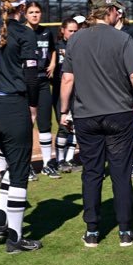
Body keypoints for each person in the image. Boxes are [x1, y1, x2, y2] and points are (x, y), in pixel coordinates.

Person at [60, 0, 133, 248]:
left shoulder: (75, 40)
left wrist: (64, 111)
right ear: (108, 11)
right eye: (115, 11)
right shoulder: (122, 38)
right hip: (118, 114)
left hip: (86, 116)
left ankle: (92, 231)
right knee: (121, 173)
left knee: (92, 172)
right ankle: (124, 230)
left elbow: (67, 79)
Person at [0, 0, 42, 253]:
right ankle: (15, 239)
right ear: (22, 6)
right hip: (12, 105)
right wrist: (33, 106)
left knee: (9, 166)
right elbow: (30, 77)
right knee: (18, 172)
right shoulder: (24, 33)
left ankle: (0, 223)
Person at [24, 1, 59, 179]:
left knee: (45, 123)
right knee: (25, 125)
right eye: (31, 12)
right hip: (26, 84)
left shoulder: (46, 32)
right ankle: (26, 165)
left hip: (43, 81)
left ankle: (47, 164)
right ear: (25, 14)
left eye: (37, 11)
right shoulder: (21, 32)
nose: (35, 15)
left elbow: (53, 49)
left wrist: (52, 64)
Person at [115, 7, 133, 176]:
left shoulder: (130, 32)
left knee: (130, 126)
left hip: (126, 83)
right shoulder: (106, 31)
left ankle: (132, 163)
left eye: (119, 10)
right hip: (109, 83)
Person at [52, 17, 80, 172]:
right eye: (71, 30)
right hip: (61, 92)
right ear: (62, 30)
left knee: (75, 126)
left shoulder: (80, 46)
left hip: (78, 91)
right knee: (64, 126)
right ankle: (59, 160)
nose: (74, 33)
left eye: (76, 31)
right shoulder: (56, 47)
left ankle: (69, 160)